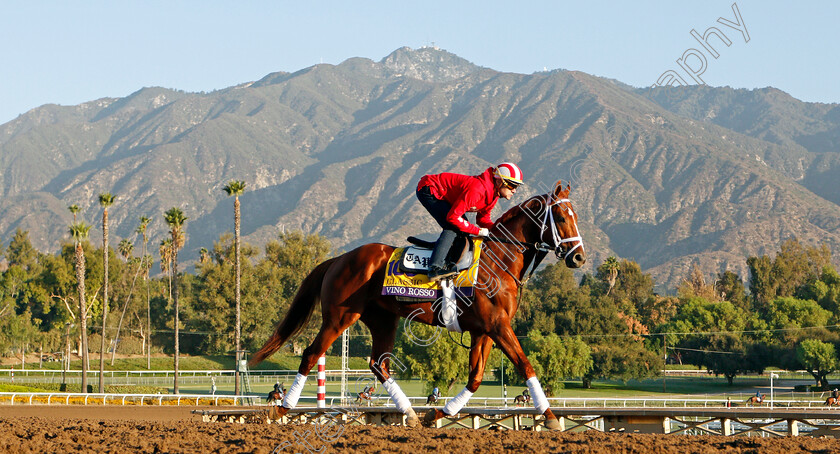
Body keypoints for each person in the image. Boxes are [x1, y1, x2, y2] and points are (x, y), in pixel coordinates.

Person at [416, 162, 524, 281]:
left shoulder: (494, 195)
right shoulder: (478, 189)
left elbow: (483, 219)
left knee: (463, 231)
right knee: (453, 227)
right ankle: (434, 268)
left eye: (517, 187)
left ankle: (449, 263)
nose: (514, 190)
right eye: (512, 185)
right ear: (499, 181)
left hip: (445, 195)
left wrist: (497, 232)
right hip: (429, 188)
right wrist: (478, 231)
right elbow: (453, 218)